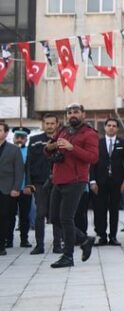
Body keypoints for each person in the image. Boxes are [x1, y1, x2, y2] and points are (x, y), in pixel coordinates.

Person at [45, 103, 99, 268]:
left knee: (66, 218)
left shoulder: (89, 133)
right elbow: (48, 150)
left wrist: (71, 147)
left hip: (76, 180)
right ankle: (84, 239)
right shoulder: (64, 131)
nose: (72, 115)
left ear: (83, 114)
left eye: (76, 112)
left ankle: (68, 256)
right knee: (54, 218)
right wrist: (51, 147)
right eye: (69, 113)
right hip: (58, 178)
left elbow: (93, 157)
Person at [89, 117, 124, 247]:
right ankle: (101, 236)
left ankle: (113, 236)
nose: (111, 127)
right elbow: (92, 163)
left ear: (117, 129)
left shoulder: (122, 143)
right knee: (99, 210)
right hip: (100, 182)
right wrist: (92, 181)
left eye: (114, 126)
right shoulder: (98, 143)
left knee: (114, 210)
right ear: (105, 128)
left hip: (117, 182)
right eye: (109, 125)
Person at [27, 114, 62, 254]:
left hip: (58, 181)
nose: (49, 126)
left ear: (57, 124)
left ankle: (57, 245)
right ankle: (39, 245)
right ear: (43, 124)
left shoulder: (62, 140)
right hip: (40, 182)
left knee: (57, 214)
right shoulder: (34, 140)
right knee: (40, 213)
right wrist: (29, 183)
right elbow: (29, 163)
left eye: (52, 123)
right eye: (47, 123)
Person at [0, 122, 26, 256]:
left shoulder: (13, 149)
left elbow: (19, 170)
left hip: (7, 188)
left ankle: (2, 244)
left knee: (4, 216)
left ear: (5, 133)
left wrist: (16, 187)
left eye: (0, 130)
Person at [12, 128, 32, 248]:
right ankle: (8, 240)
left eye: (22, 137)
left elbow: (30, 171)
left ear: (26, 139)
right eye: (17, 137)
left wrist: (29, 185)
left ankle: (24, 239)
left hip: (25, 188)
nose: (19, 139)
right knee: (8, 215)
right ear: (14, 138)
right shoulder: (8, 150)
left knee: (25, 215)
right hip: (10, 188)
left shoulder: (29, 152)